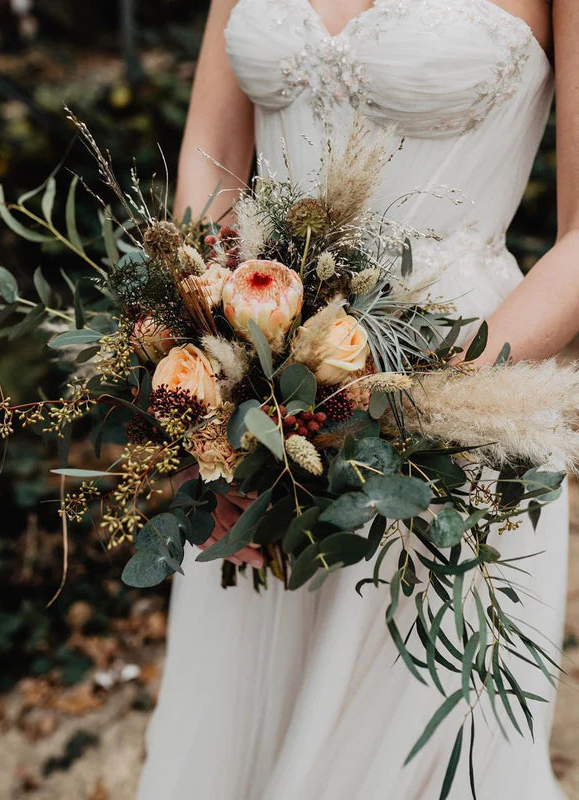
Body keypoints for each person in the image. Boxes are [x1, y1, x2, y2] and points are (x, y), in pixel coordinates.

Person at [139, 1, 574, 797]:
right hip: (266, 385)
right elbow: (212, 162)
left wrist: (418, 402)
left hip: (458, 398)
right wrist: (211, 376)